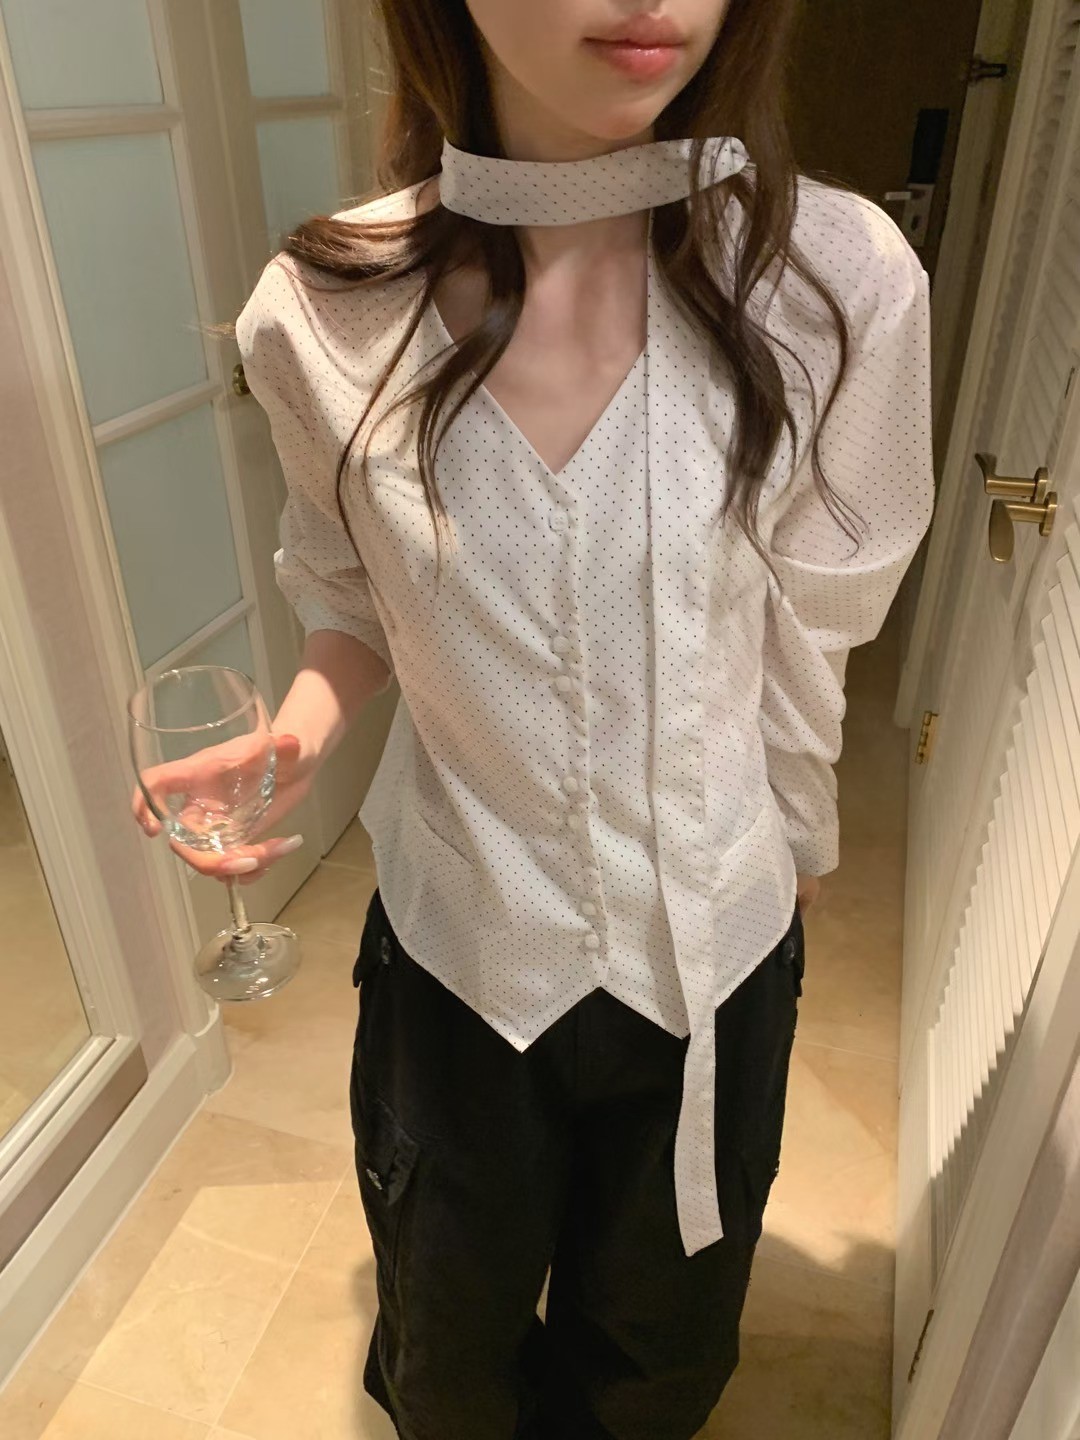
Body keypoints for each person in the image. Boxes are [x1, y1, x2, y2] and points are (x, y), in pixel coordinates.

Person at [136, 2, 935, 1435]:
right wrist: (302, 729)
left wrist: (795, 832)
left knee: (657, 1360)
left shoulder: (829, 281)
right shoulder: (325, 309)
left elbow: (813, 622)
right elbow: (349, 588)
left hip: (716, 955)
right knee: (451, 1348)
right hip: (464, 948)